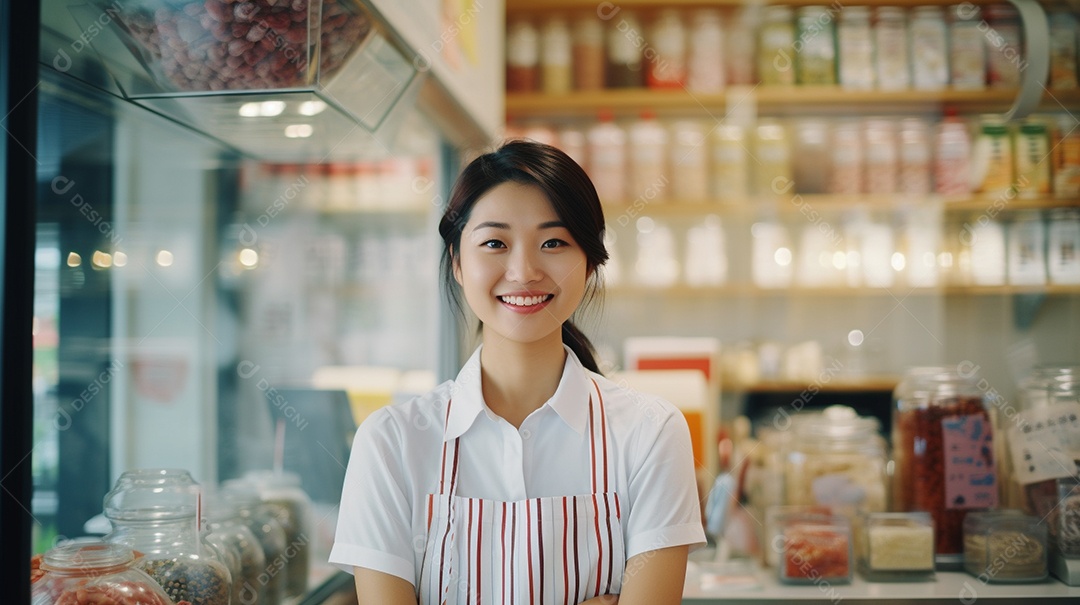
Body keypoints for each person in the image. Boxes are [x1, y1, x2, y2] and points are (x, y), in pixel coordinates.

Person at [330, 140, 705, 604]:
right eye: (494, 243)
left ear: (589, 263)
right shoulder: (390, 443)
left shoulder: (651, 433)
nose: (524, 271)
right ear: (458, 263)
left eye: (553, 242)